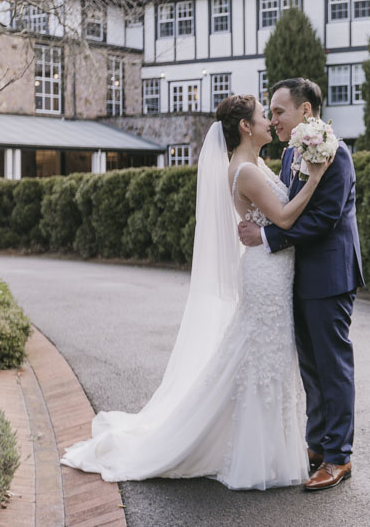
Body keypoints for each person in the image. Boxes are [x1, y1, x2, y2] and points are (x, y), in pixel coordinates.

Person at [60, 95, 331, 490]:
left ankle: (270, 448)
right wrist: (317, 177)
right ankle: (253, 454)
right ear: (244, 127)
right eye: (262, 116)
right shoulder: (245, 171)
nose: (268, 123)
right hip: (265, 274)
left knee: (265, 357)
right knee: (259, 357)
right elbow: (286, 216)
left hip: (274, 269)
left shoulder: (255, 165)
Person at [238, 77, 364, 492]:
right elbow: (287, 206)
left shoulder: (336, 153)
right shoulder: (294, 151)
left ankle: (338, 457)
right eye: (270, 113)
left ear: (305, 111)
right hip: (297, 276)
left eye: (279, 112)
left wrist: (268, 238)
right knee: (310, 366)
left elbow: (323, 219)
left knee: (332, 366)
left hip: (330, 276)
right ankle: (317, 445)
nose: (273, 120)